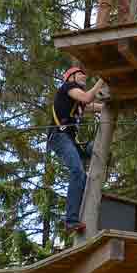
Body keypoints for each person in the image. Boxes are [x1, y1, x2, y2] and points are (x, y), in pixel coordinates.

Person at [48, 66, 107, 234]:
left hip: (70, 140)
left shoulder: (76, 100)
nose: (84, 76)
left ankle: (84, 204)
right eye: (80, 73)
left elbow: (95, 106)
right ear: (70, 77)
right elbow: (88, 97)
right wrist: (102, 79)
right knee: (77, 172)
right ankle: (71, 220)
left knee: (95, 150)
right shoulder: (67, 88)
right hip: (59, 136)